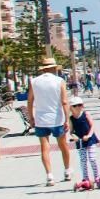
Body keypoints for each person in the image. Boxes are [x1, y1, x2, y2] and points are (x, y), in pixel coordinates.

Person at [26, 58, 73, 187]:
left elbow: (30, 101)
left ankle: (49, 175)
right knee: (63, 146)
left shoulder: (34, 81)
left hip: (41, 119)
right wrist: (67, 119)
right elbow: (64, 101)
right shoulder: (59, 81)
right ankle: (67, 170)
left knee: (44, 148)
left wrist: (31, 117)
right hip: (57, 118)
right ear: (54, 68)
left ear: (43, 69)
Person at [68, 98, 100, 190]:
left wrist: (89, 135)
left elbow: (92, 125)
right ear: (71, 108)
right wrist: (73, 136)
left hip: (90, 140)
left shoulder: (85, 114)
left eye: (80, 105)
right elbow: (71, 131)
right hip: (80, 141)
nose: (78, 107)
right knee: (83, 161)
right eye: (75, 106)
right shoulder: (71, 118)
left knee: (92, 159)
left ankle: (97, 177)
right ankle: (85, 178)